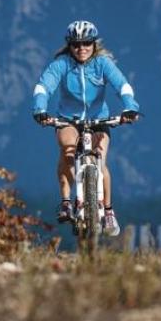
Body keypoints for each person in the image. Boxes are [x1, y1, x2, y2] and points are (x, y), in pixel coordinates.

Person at [32, 20, 140, 236]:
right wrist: (40, 109)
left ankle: (108, 211)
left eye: (87, 43)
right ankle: (65, 201)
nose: (82, 48)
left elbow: (122, 85)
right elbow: (44, 86)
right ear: (70, 46)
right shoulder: (61, 65)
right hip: (68, 119)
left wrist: (130, 107)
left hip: (98, 119)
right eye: (76, 44)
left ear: (94, 44)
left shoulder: (103, 64)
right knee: (68, 150)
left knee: (100, 159)